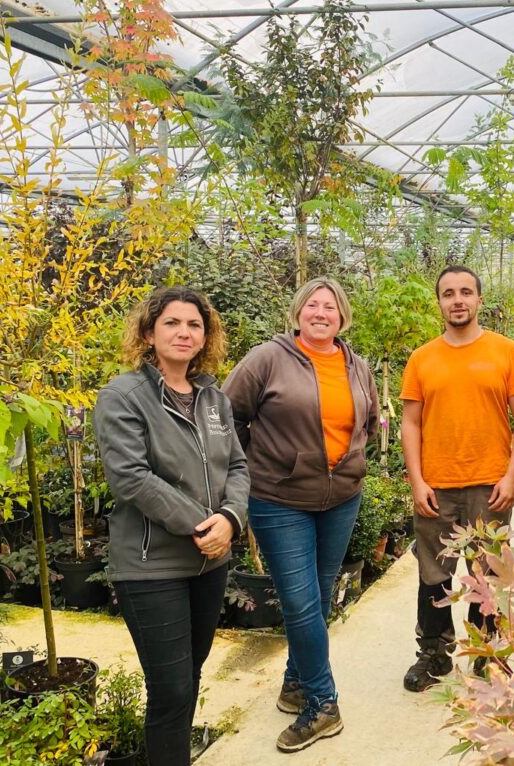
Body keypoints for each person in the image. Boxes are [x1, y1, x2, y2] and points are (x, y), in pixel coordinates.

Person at [222, 277, 378, 753]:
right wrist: (255, 467)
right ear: (298, 312)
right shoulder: (266, 359)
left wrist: (350, 461)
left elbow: (368, 421)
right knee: (299, 601)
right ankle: (323, 703)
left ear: (342, 316)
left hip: (341, 498)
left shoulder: (357, 365)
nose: (321, 313)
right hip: (279, 500)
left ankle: (295, 682)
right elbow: (228, 416)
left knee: (319, 594)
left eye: (330, 306)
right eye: (312, 304)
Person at [94, 286, 249, 766]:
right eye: (172, 323)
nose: (185, 332)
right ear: (148, 333)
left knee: (189, 679)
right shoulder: (124, 396)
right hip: (151, 565)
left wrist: (230, 519)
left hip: (209, 564)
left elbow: (239, 468)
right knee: (171, 689)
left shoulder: (213, 398)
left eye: (194, 325)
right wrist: (203, 525)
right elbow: (130, 478)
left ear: (206, 337)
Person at [399, 264, 514, 692]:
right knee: (433, 573)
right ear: (438, 302)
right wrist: (417, 481)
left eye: (466, 292)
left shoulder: (505, 351)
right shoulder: (422, 358)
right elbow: (410, 424)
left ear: (479, 299)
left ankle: (485, 651)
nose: (457, 300)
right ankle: (434, 653)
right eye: (448, 293)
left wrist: (512, 476)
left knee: (487, 573)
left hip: (489, 485)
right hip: (437, 486)